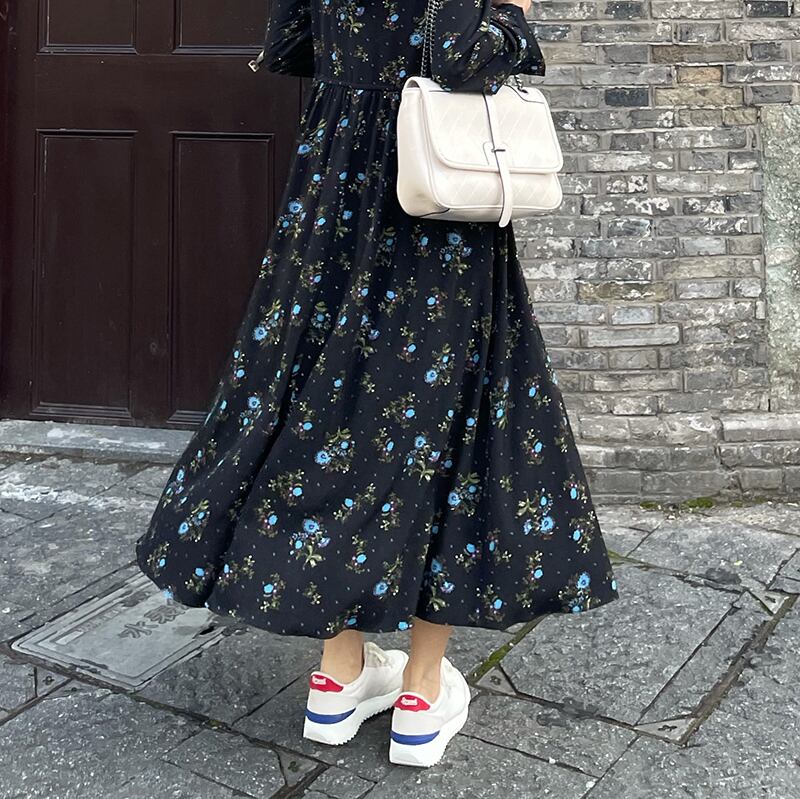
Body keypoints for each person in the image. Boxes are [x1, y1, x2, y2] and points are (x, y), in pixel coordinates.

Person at [135, 0, 620, 769]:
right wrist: (516, 15)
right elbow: (459, 54)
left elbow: (289, 42)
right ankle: (421, 693)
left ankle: (339, 676)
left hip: (331, 191)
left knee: (325, 406)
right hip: (424, 205)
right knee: (450, 417)